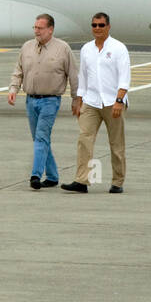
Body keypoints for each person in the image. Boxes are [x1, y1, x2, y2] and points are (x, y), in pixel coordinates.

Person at [62, 12, 130, 194]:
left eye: (101, 25)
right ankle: (81, 181)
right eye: (94, 25)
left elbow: (125, 78)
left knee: (116, 144)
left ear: (108, 27)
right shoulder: (86, 49)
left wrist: (119, 101)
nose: (97, 29)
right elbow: (82, 77)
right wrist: (78, 99)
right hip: (91, 102)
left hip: (112, 102)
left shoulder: (118, 48)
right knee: (84, 139)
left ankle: (117, 181)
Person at [8, 14, 78, 190]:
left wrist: (77, 99)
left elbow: (73, 75)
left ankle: (35, 175)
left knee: (41, 137)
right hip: (31, 100)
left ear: (50, 29)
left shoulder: (63, 48)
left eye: (40, 28)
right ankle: (53, 176)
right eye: (35, 28)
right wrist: (13, 89)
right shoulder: (27, 47)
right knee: (40, 139)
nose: (36, 31)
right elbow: (19, 70)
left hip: (50, 101)